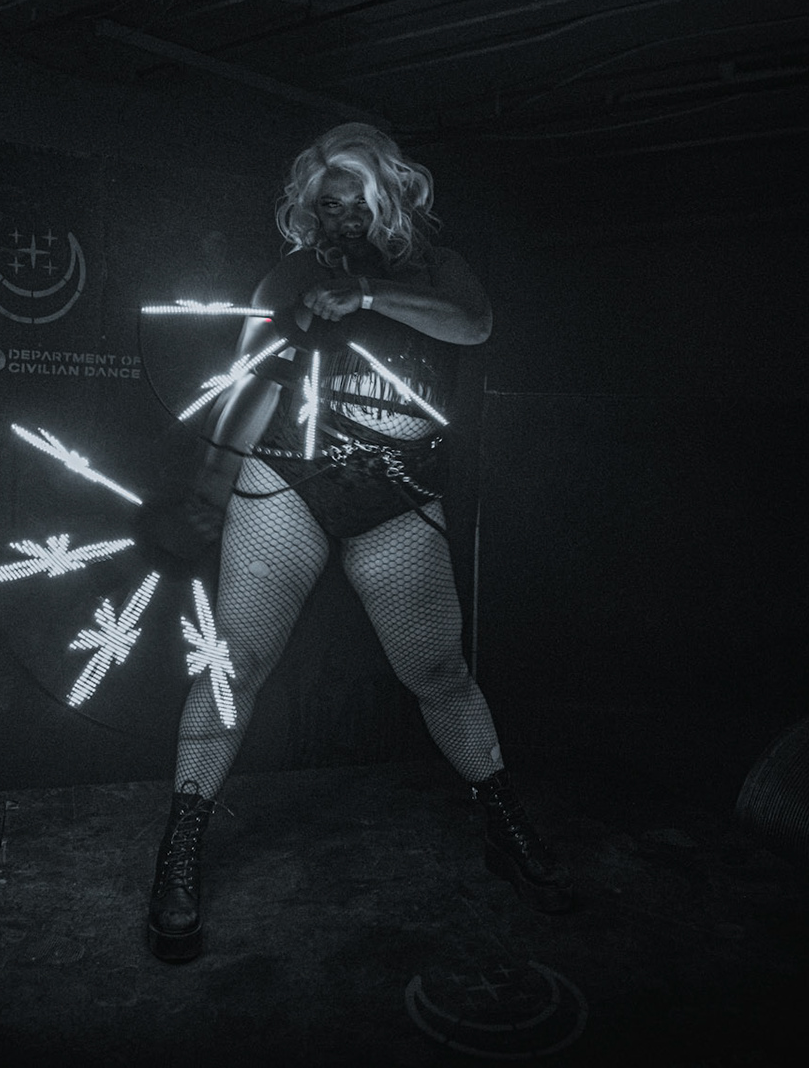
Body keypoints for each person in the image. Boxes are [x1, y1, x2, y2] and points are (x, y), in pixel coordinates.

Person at [144, 123, 571, 963]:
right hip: (288, 480)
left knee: (438, 670)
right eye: (325, 204)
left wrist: (367, 296)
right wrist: (208, 489)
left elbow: (476, 324)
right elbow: (251, 384)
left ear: (392, 198)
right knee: (234, 663)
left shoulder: (437, 270)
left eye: (355, 201)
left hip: (396, 490)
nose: (339, 217)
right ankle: (180, 847)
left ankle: (504, 823)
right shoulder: (291, 274)